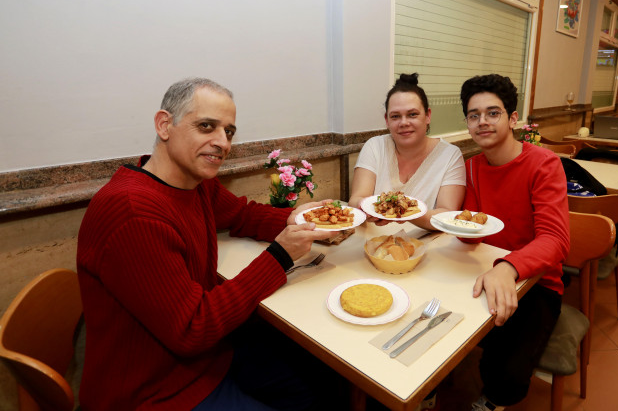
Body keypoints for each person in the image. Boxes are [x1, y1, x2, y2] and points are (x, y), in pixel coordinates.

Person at [76, 78, 337, 410]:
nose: (222, 143)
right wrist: (280, 256)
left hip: (209, 357)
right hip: (156, 392)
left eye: (228, 131)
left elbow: (242, 215)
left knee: (320, 380)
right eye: (206, 126)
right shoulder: (133, 212)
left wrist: (299, 220)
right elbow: (192, 328)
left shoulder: (193, 184)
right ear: (164, 125)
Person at [458, 74, 569, 411]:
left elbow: (556, 239)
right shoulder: (472, 167)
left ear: (512, 118)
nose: (483, 122)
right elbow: (470, 228)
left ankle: (494, 400)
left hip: (537, 282)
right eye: (474, 115)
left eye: (493, 113)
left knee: (504, 366)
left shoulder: (543, 164)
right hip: (482, 269)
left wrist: (509, 267)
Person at [348, 73, 465, 229]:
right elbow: (357, 198)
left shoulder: (450, 155)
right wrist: (364, 207)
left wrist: (402, 212)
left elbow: (446, 215)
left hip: (423, 245)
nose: (404, 123)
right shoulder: (375, 146)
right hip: (372, 240)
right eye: (395, 116)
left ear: (428, 115)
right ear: (387, 120)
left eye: (412, 114)